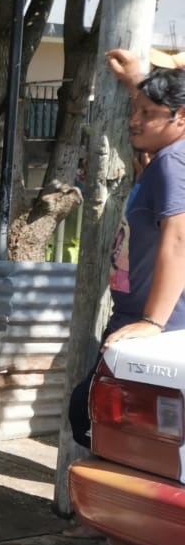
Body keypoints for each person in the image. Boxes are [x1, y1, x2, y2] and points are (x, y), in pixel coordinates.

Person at [68, 61, 185, 449]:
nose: (134, 120)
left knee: (92, 416)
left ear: (181, 117)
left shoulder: (173, 163)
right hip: (136, 318)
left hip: (155, 327)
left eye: (147, 114)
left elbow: (179, 237)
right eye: (134, 109)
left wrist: (153, 321)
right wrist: (139, 82)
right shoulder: (163, 161)